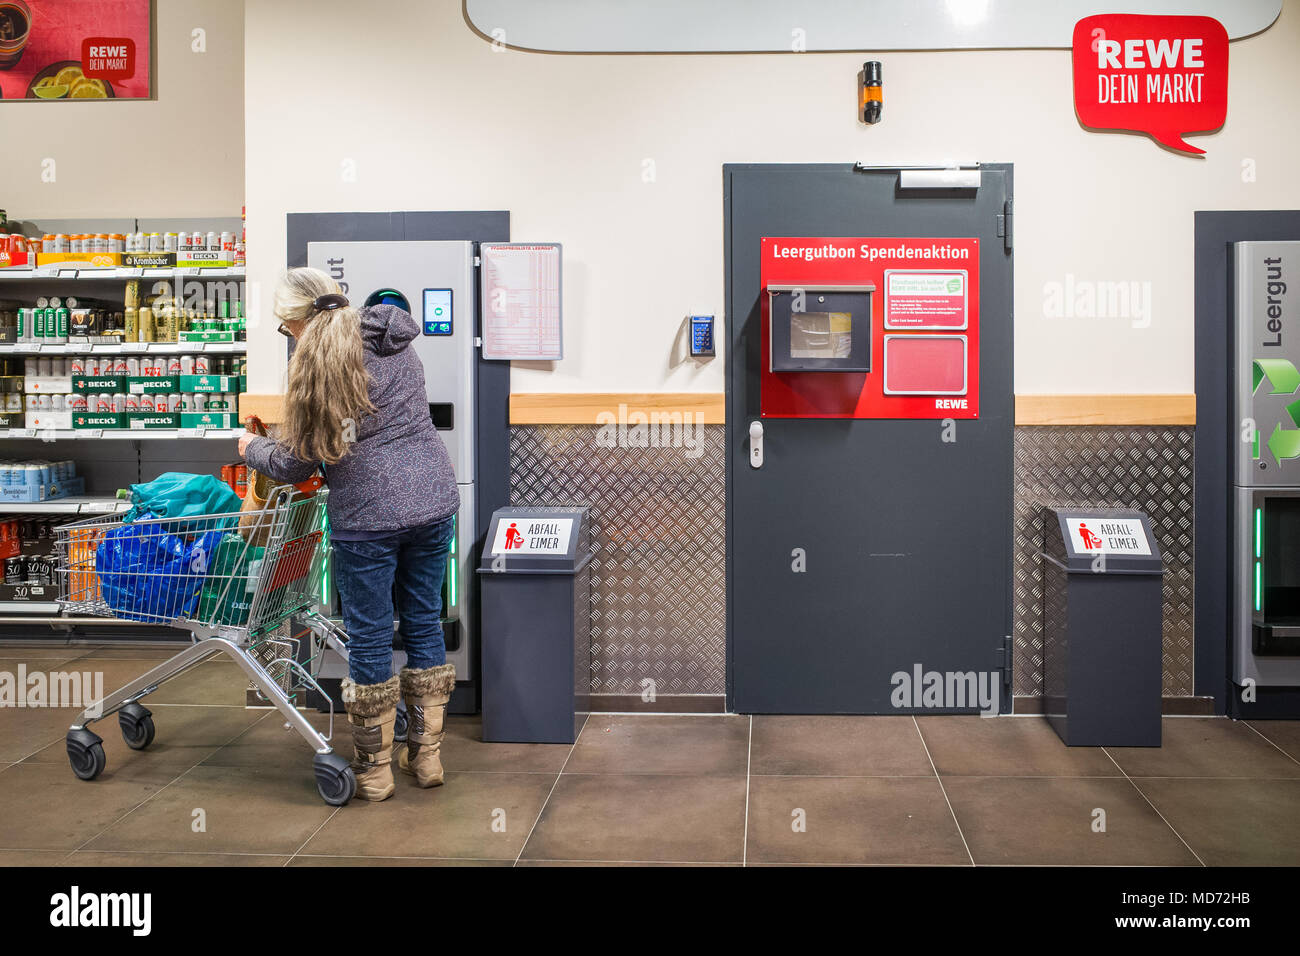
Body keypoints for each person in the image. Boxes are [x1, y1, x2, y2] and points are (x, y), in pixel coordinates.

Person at [238, 267, 459, 801]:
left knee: (369, 634)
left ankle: (375, 770)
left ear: (296, 318)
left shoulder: (318, 363)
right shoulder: (391, 340)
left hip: (367, 517)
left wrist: (248, 450)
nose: (287, 336)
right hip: (433, 501)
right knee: (424, 622)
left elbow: (294, 463)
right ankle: (426, 758)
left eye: (284, 327)